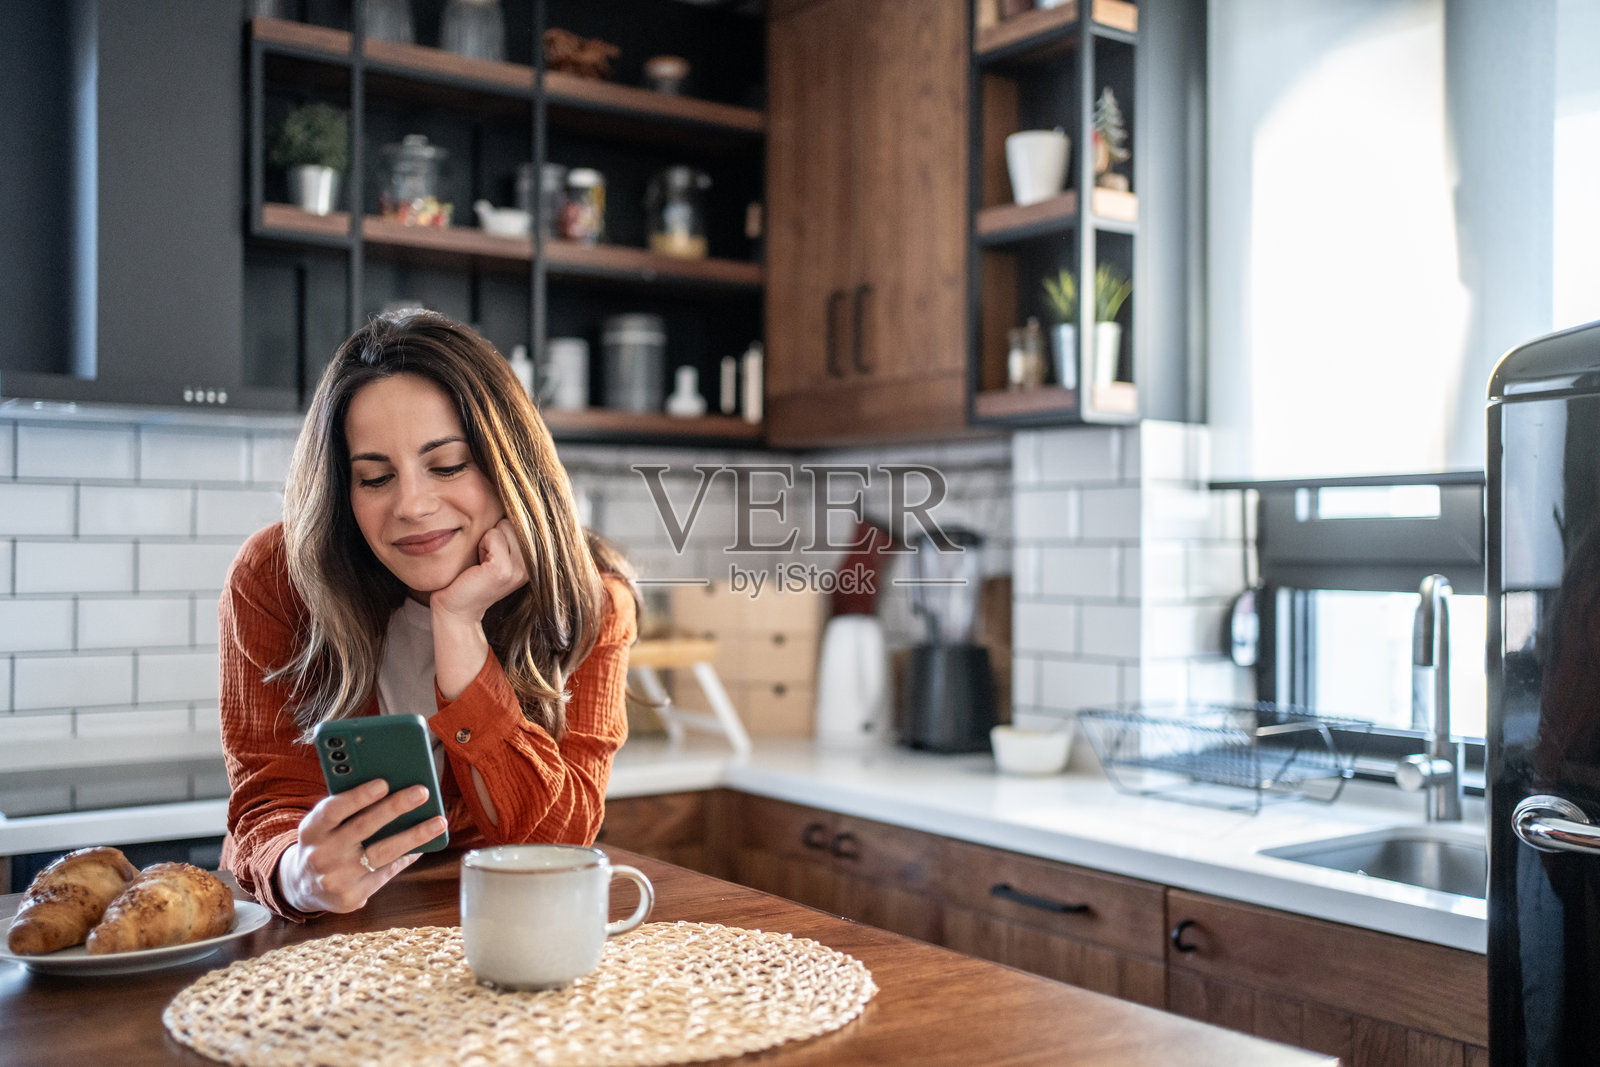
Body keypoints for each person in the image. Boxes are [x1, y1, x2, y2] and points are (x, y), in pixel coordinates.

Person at [218, 309, 636, 919]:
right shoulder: (278, 577)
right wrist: (297, 873)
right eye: (374, 477)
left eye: (447, 465)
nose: (412, 505)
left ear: (509, 466)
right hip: (306, 926)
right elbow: (270, 795)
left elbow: (558, 841)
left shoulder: (588, 601)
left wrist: (460, 625)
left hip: (469, 920)